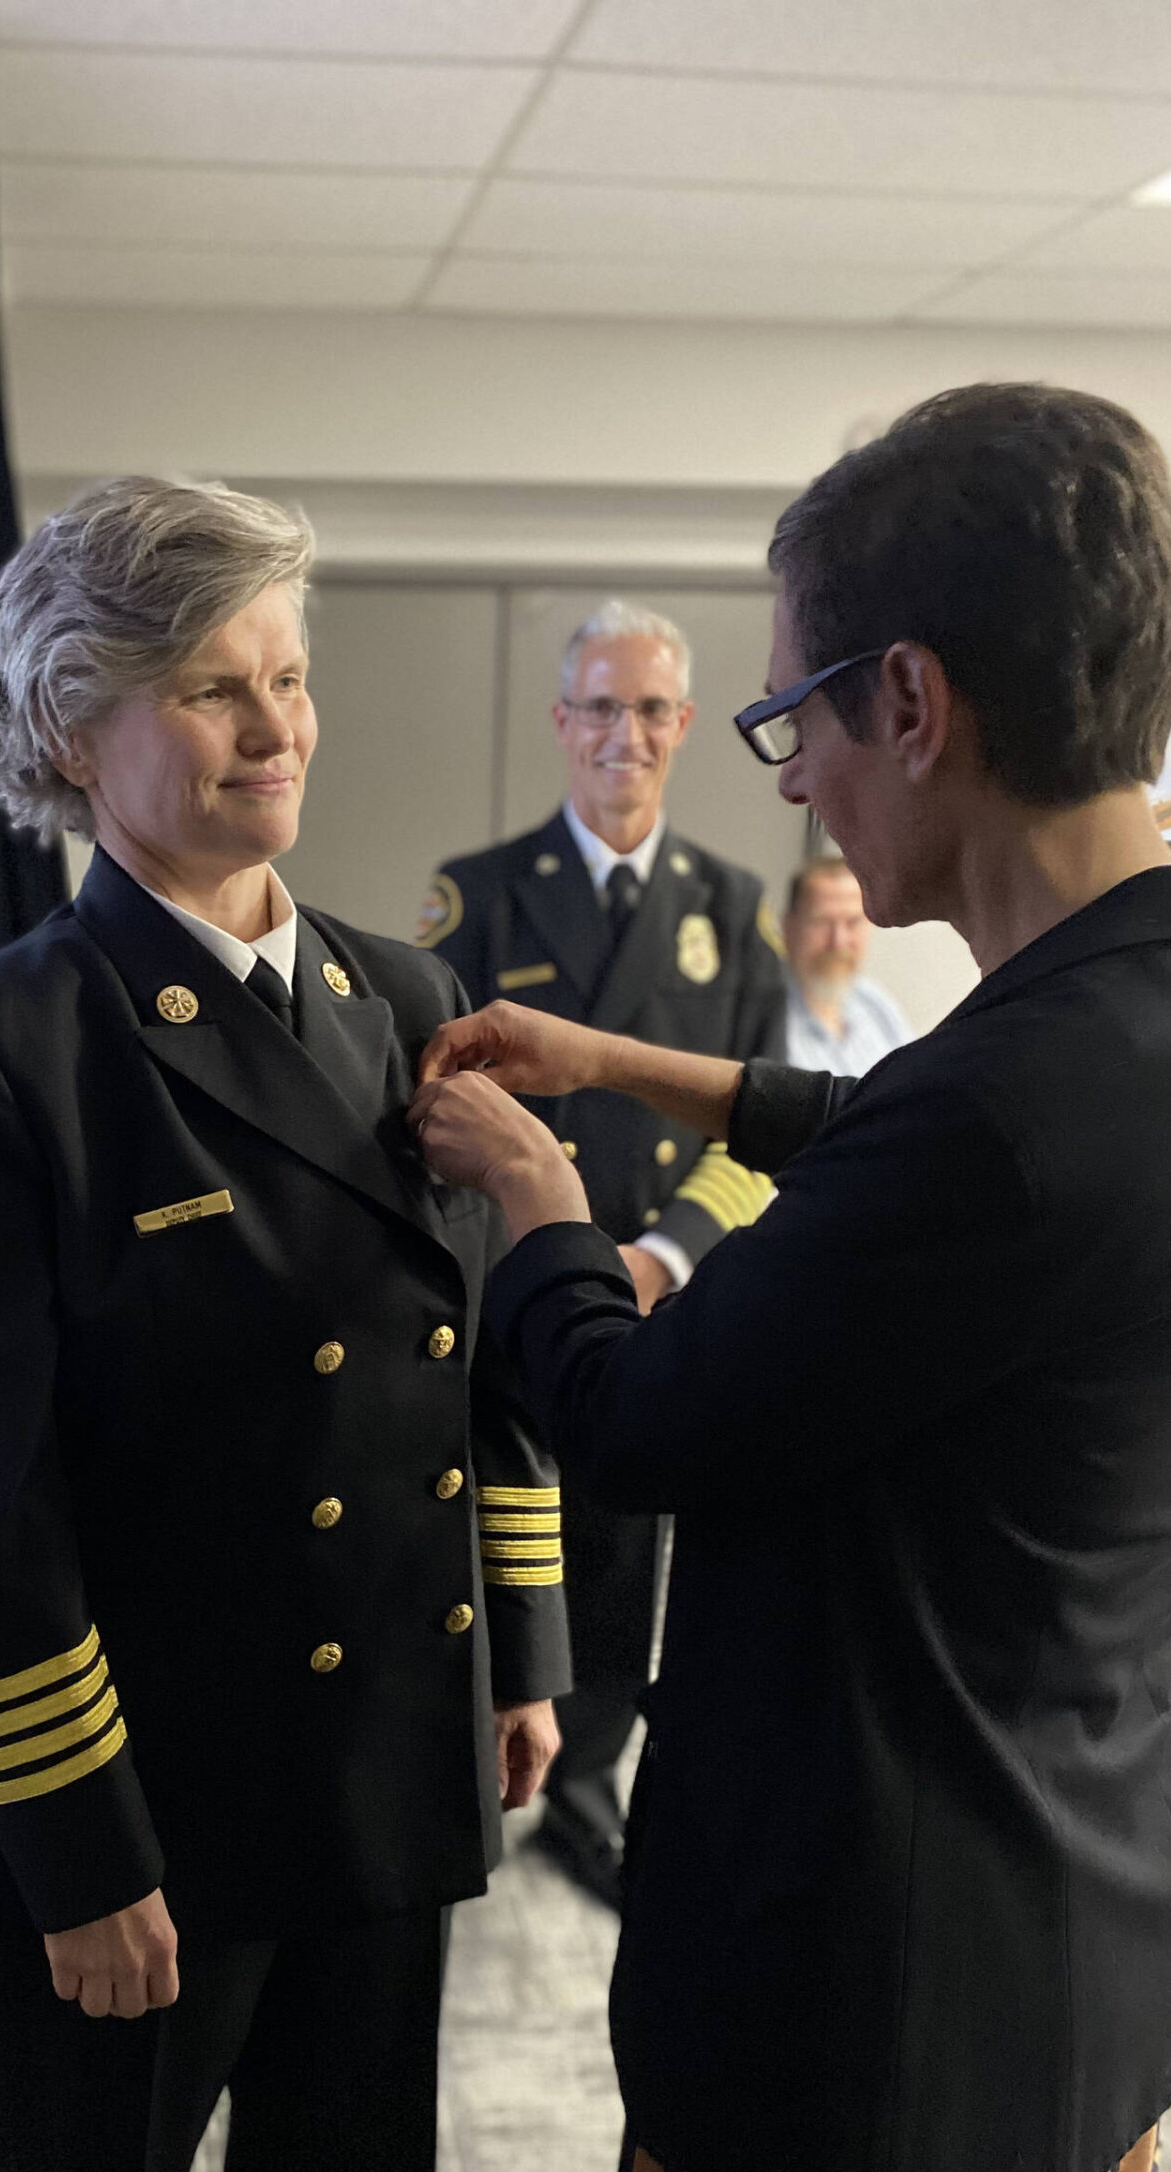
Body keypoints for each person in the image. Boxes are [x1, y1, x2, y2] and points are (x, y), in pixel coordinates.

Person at [407, 384, 1171, 2172]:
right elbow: (943, 1156)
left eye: (795, 712)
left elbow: (635, 1416)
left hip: (864, 2017)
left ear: (916, 697)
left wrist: (534, 1190)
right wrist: (644, 1064)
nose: (787, 773)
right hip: (1071, 1941)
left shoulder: (1005, 1111)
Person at [0, 477, 569, 2172]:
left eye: (290, 678)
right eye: (211, 690)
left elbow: (470, 1359)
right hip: (135, 1814)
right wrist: (77, 1852)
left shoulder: (400, 996)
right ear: (76, 732)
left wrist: (517, 1651)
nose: (277, 730)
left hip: (373, 1758)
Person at [413, 602, 786, 1909]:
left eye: (650, 710)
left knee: (623, 1560)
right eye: (599, 708)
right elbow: (432, 1107)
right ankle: (478, 1756)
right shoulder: (479, 892)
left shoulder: (737, 911)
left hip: (658, 1300)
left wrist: (668, 1253)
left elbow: (759, 1121)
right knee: (490, 1540)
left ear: (684, 727)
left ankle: (585, 1790)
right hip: (505, 1283)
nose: (622, 734)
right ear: (561, 721)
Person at [782, 851, 910, 1072]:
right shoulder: (761, 1018)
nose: (838, 942)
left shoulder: (876, 1006)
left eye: (853, 922)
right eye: (821, 922)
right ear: (788, 927)